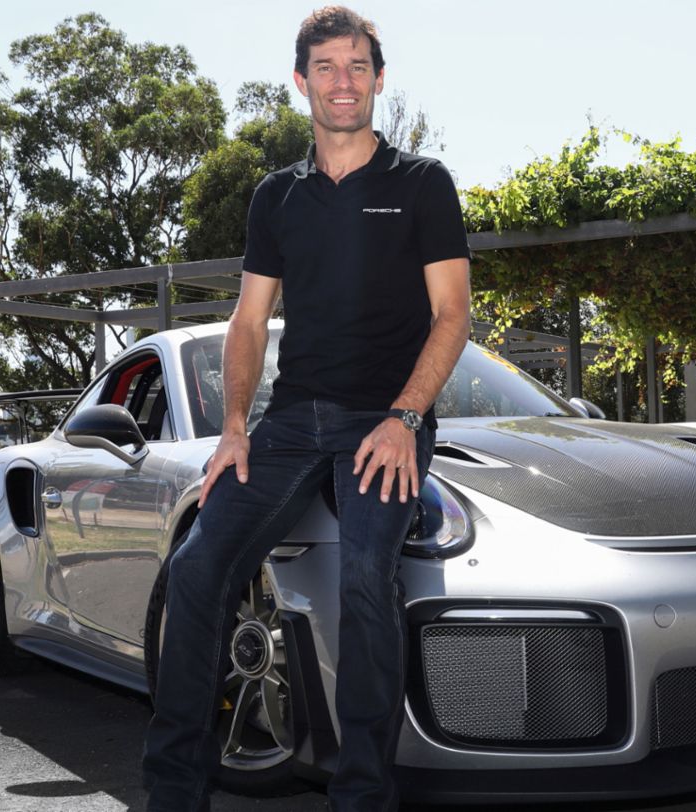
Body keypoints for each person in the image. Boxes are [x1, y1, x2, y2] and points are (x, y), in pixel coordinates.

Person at [141, 6, 472, 811]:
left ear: (380, 79)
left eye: (357, 66)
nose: (342, 82)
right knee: (194, 568)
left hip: (384, 422)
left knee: (363, 573)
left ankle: (362, 796)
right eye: (326, 67)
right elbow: (249, 322)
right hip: (290, 425)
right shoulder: (276, 197)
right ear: (301, 81)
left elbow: (453, 314)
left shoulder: (422, 184)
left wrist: (406, 418)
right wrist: (232, 429)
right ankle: (174, 794)